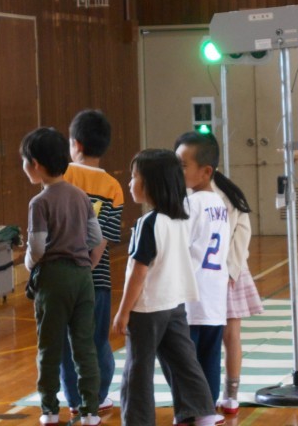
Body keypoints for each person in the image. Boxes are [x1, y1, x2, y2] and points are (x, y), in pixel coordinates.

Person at [112, 149, 219, 426]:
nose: (130, 183)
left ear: (151, 184)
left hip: (147, 308)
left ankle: (138, 421)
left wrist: (123, 311)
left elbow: (139, 271)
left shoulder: (148, 223)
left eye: (134, 177)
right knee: (184, 361)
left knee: (138, 368)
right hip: (175, 303)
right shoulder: (180, 219)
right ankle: (202, 412)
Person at [21, 127, 103, 426]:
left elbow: (37, 247)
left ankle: (49, 410)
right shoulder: (80, 196)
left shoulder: (39, 202)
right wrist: (84, 262)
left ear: (35, 164)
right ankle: (90, 411)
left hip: (54, 279)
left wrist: (28, 264)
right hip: (83, 277)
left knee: (50, 347)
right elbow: (96, 237)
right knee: (85, 347)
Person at [59, 110, 124, 418]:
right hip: (97, 278)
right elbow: (104, 238)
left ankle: (74, 399)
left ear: (76, 144)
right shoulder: (113, 187)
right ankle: (97, 395)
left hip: (62, 275)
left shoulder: (61, 177)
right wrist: (89, 267)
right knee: (97, 340)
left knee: (66, 341)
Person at [174, 132, 230, 406]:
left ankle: (189, 410)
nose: (177, 171)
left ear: (206, 171)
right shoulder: (219, 203)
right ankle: (208, 410)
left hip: (191, 298)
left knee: (186, 362)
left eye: (183, 166)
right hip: (214, 297)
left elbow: (178, 248)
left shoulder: (190, 204)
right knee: (210, 358)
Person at [212, 171, 263, 415]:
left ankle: (221, 395)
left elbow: (241, 235)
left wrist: (229, 272)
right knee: (231, 336)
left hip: (217, 273)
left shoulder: (211, 194)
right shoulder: (230, 192)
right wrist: (232, 269)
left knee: (215, 337)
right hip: (229, 270)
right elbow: (243, 235)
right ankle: (230, 397)